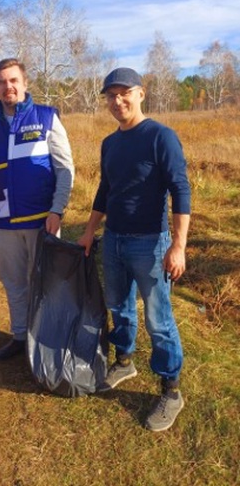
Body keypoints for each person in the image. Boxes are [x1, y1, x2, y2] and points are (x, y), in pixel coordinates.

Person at [78, 67, 191, 432]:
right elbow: (105, 189)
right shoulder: (109, 143)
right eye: (111, 95)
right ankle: (124, 361)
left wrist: (178, 245)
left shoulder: (161, 137)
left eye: (124, 93)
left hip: (151, 242)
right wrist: (90, 230)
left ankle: (171, 390)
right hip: (114, 240)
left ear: (141, 94)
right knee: (119, 307)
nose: (117, 101)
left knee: (159, 321)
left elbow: (181, 191)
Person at [0, 58, 74, 360]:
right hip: (5, 223)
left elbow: (65, 168)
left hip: (42, 221)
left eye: (13, 80)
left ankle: (46, 340)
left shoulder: (46, 117)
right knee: (14, 283)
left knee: (46, 283)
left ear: (24, 83)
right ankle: (20, 337)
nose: (8, 86)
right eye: (2, 82)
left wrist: (57, 210)